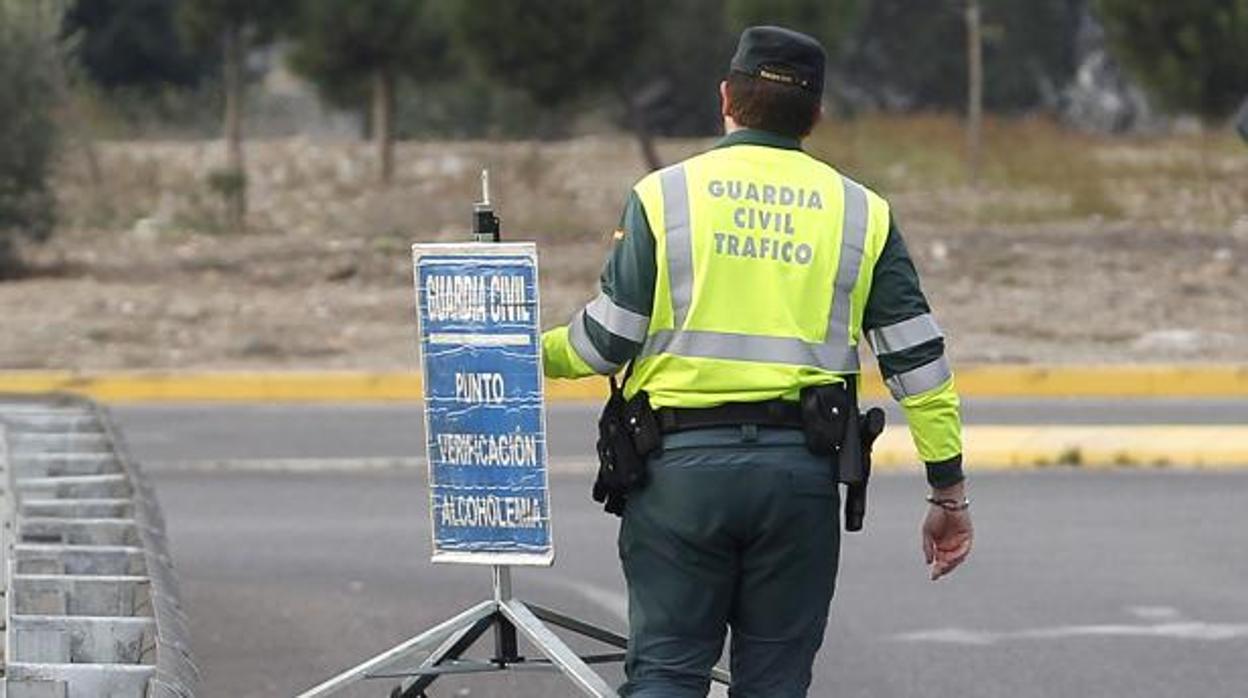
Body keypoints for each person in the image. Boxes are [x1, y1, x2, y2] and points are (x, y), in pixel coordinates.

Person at [542, 25, 973, 698]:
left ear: (726, 99)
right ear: (817, 115)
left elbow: (604, 343)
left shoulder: (665, 197)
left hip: (677, 478)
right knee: (775, 683)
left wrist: (527, 353)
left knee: (666, 674)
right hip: (800, 482)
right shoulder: (862, 214)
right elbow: (918, 363)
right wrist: (948, 490)